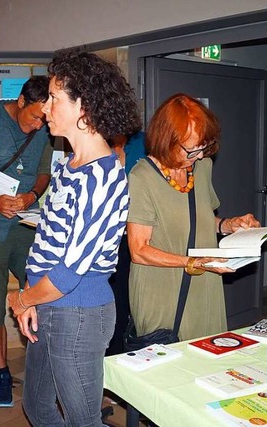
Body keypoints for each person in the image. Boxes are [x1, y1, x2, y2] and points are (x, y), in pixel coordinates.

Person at [7, 50, 141, 426]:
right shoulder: (70, 164)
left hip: (78, 314)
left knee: (84, 420)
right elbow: (51, 240)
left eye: (54, 98)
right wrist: (33, 297)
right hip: (50, 303)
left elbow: (70, 272)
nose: (46, 108)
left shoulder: (103, 176)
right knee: (37, 406)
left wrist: (22, 298)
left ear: (84, 108)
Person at [127, 93, 260, 342]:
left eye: (204, 147)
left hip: (204, 282)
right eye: (192, 149)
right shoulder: (142, 177)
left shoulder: (202, 167)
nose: (199, 156)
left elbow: (200, 220)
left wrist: (230, 225)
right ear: (167, 140)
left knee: (209, 355)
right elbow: (139, 250)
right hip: (161, 289)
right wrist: (193, 262)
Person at [0, 75, 52, 408]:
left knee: (41, 293)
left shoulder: (44, 126)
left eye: (43, 119)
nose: (38, 125)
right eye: (33, 117)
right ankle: (2, 373)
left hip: (26, 225)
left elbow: (44, 170)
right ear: (20, 103)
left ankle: (41, 367)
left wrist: (32, 194)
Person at [105, 131, 146, 356]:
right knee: (115, 306)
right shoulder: (94, 147)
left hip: (139, 237)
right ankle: (112, 360)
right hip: (109, 241)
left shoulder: (142, 144)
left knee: (135, 305)